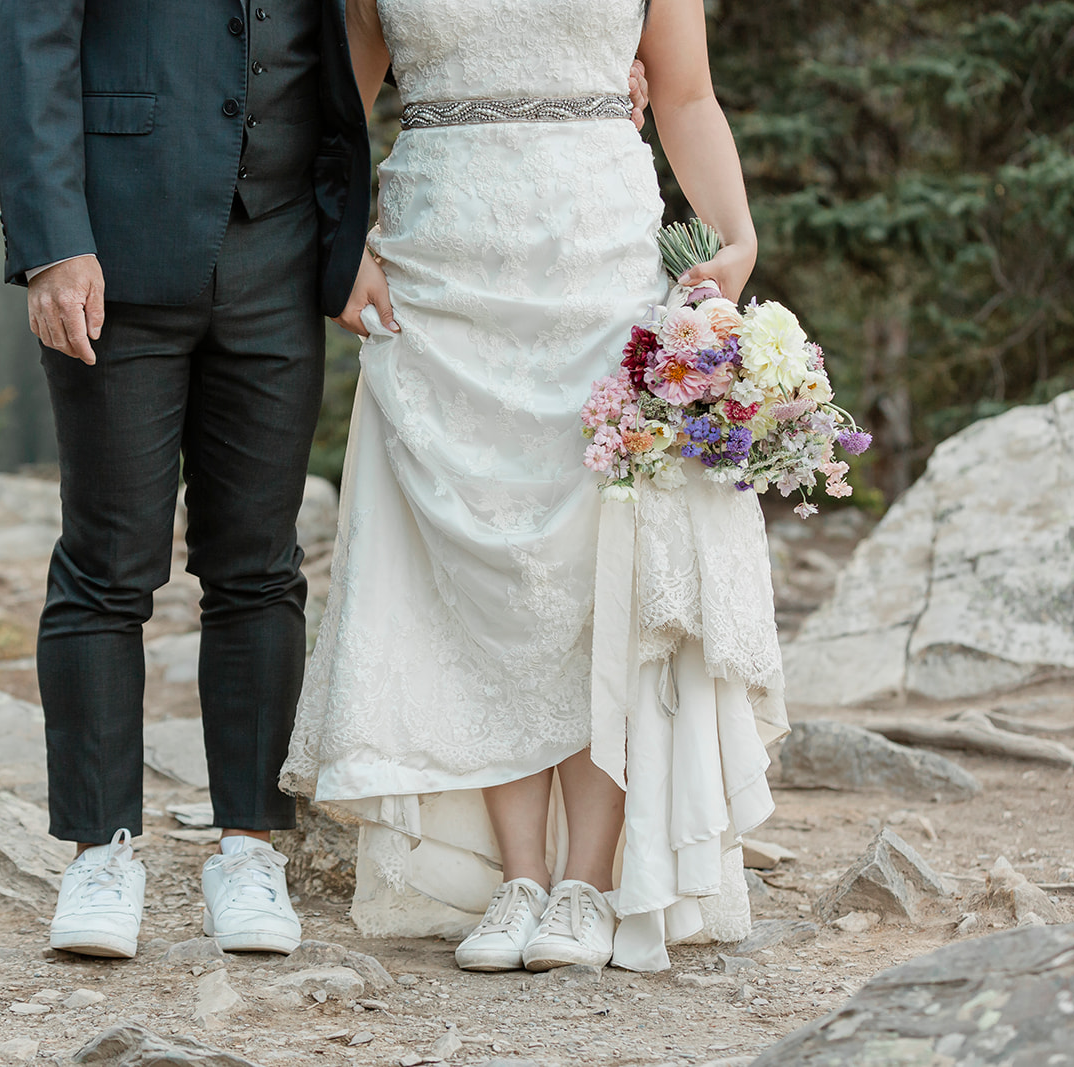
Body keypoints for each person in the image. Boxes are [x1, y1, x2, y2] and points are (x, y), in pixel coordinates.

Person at [281, 0, 789, 973]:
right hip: (439, 263)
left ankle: (590, 881)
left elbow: (683, 93)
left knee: (594, 567)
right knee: (483, 569)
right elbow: (333, 107)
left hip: (598, 259)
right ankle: (518, 875)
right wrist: (342, 246)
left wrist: (734, 234)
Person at [0, 0, 374, 958]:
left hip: (281, 251)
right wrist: (51, 244)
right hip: (110, 246)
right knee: (109, 564)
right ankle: (99, 853)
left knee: (260, 567)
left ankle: (250, 849)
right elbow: (27, 45)